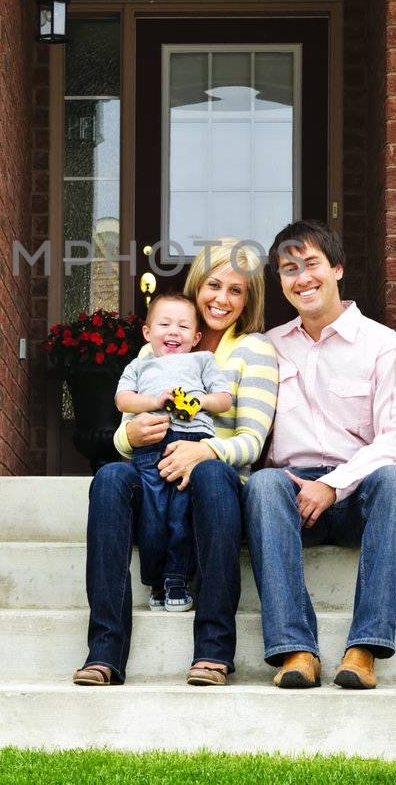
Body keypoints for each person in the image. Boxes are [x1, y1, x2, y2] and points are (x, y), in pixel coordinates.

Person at [73, 240, 279, 687]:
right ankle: (104, 652)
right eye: (213, 285)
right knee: (109, 477)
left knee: (211, 475)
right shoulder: (161, 346)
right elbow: (128, 425)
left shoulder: (254, 351)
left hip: (213, 479)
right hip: (152, 468)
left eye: (236, 291)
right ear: (196, 286)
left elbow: (252, 442)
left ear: (249, 300)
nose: (222, 299)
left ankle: (213, 652)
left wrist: (204, 451)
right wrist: (125, 437)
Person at [245, 220, 396, 691]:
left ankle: (363, 648)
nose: (301, 277)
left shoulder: (385, 347)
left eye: (312, 264)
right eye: (288, 269)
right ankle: (296, 650)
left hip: (359, 492)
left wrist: (334, 484)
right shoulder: (267, 348)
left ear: (337, 268)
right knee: (263, 485)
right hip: (290, 494)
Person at [113, 292, 234, 613]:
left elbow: (224, 399)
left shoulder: (202, 360)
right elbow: (123, 401)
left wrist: (199, 401)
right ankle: (155, 580)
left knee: (182, 517)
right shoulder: (139, 365)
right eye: (164, 324)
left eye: (182, 326)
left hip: (191, 447)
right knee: (153, 518)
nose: (173, 331)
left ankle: (178, 579)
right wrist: (154, 402)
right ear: (147, 332)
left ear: (196, 337)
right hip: (150, 450)